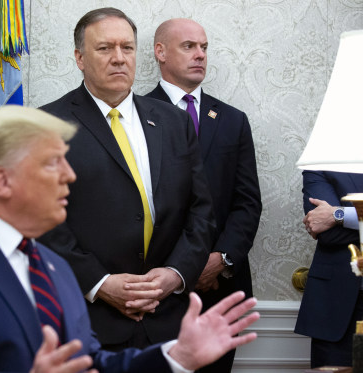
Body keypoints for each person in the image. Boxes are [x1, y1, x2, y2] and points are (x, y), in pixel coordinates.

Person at [0, 105, 259, 373]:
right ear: (2, 180)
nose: (69, 176)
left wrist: (178, 356)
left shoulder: (53, 266)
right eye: (51, 163)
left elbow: (90, 363)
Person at [38, 8, 216, 351]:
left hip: (169, 319)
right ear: (79, 57)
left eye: (128, 48)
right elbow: (42, 223)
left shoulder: (174, 122)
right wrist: (100, 284)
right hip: (89, 321)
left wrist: (175, 275)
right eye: (105, 49)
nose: (119, 59)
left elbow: (201, 210)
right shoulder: (47, 124)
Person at [145, 18, 262, 372]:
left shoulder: (232, 120)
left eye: (205, 47)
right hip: (154, 286)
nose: (200, 55)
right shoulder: (134, 113)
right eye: (189, 46)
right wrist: (177, 269)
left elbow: (247, 202)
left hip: (219, 288)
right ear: (160, 52)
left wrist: (221, 259)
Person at [295, 170, 363, 368]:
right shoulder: (321, 163)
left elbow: (332, 222)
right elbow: (328, 234)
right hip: (340, 309)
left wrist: (338, 214)